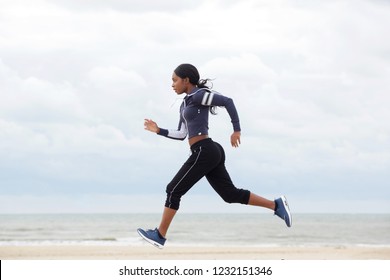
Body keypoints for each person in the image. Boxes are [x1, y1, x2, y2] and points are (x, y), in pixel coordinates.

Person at [137, 63, 291, 249]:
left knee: (173, 189)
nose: (172, 84)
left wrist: (237, 130)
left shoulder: (199, 95)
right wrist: (158, 130)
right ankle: (276, 206)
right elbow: (181, 134)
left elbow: (228, 101)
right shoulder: (185, 103)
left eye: (175, 80)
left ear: (186, 80)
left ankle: (160, 235)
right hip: (206, 151)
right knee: (229, 194)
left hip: (205, 150)